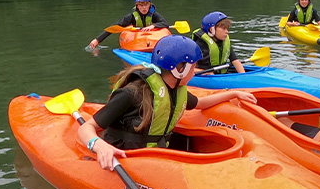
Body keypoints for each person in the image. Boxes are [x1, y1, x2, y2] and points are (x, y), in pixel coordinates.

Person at [77, 35, 257, 170]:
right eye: (192, 67)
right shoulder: (132, 93)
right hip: (126, 158)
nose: (195, 71)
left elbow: (201, 103)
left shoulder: (174, 90)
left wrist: (232, 94)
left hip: (155, 156)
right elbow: (86, 128)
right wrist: (98, 145)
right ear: (179, 69)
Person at [87, 0, 169, 51]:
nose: (144, 8)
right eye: (141, 5)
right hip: (137, 39)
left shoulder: (153, 14)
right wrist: (97, 40)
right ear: (137, 6)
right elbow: (114, 27)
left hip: (152, 38)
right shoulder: (132, 17)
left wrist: (153, 26)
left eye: (146, 5)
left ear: (150, 5)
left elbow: (165, 23)